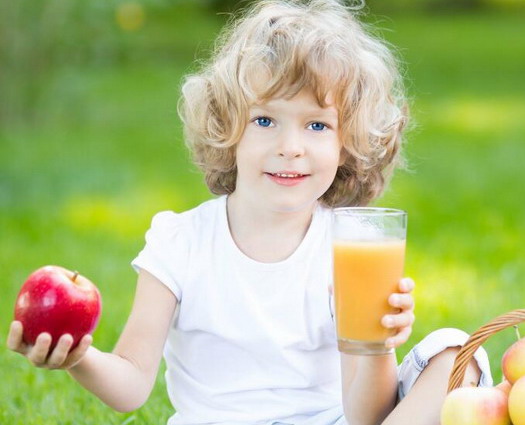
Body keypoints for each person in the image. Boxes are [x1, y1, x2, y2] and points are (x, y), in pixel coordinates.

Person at [5, 1, 493, 424]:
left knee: (457, 353)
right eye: (265, 120)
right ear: (228, 128)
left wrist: (377, 344)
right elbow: (132, 384)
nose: (291, 147)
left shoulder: (350, 248)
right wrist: (77, 358)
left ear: (348, 144)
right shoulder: (181, 243)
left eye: (317, 125)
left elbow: (365, 415)